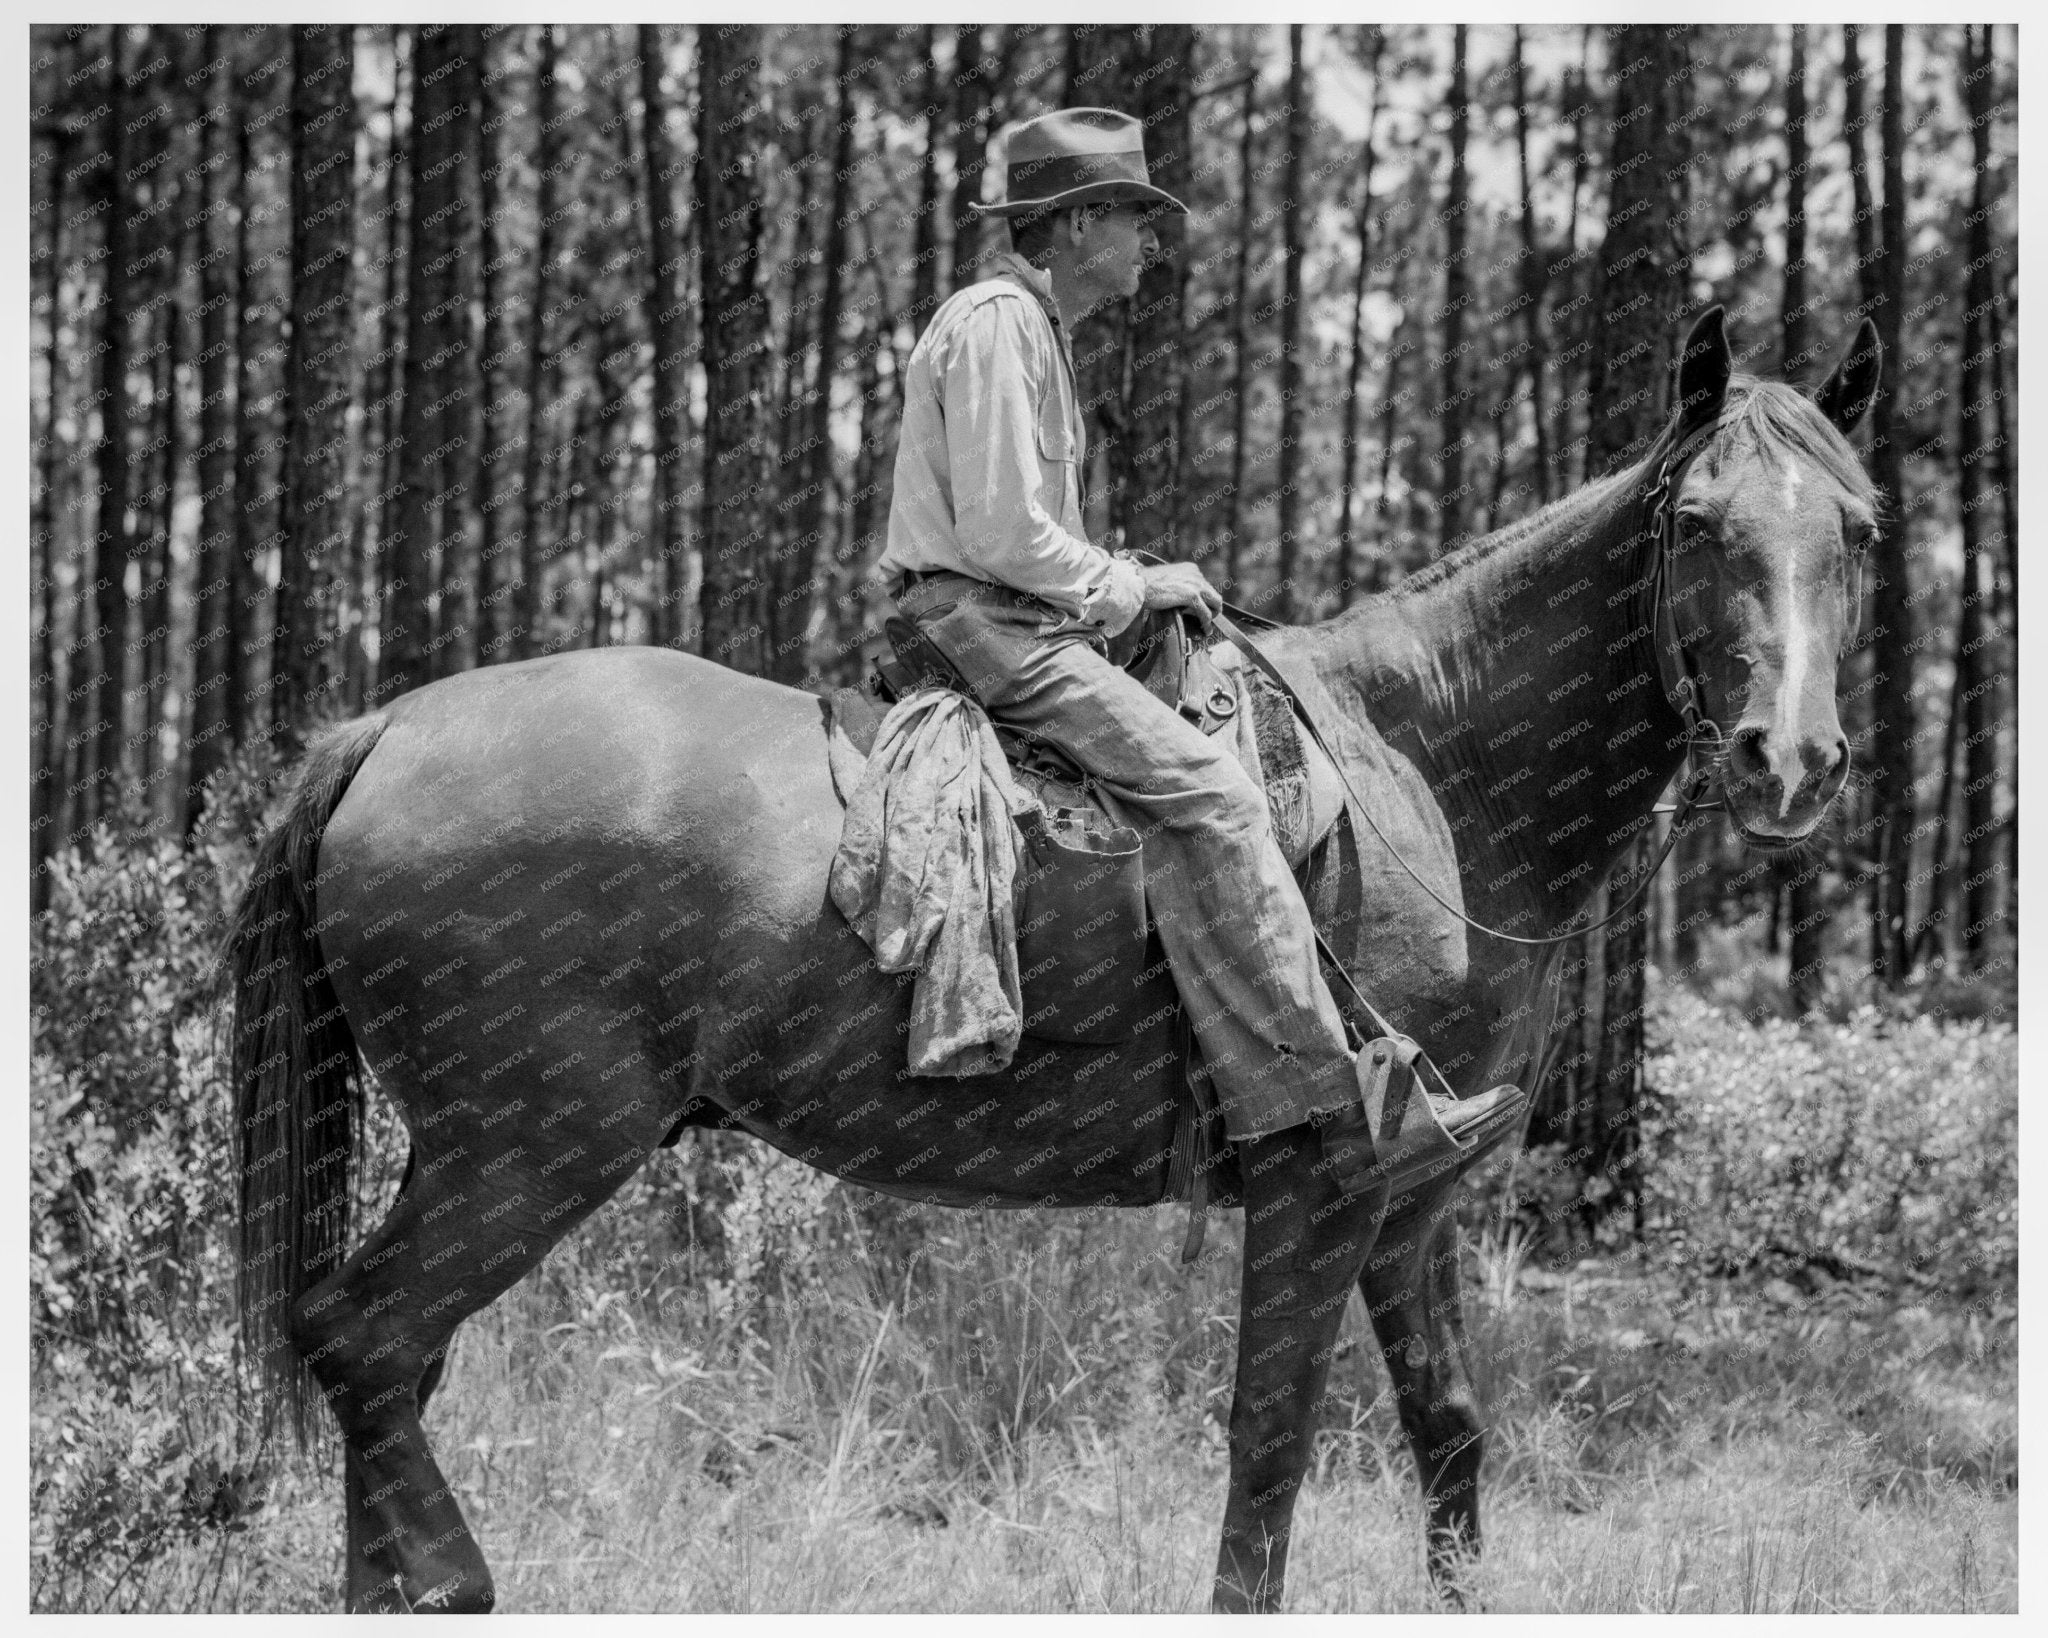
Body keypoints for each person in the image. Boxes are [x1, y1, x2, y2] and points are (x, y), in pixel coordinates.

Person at [878, 106, 1511, 1192]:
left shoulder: (1033, 333)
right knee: (1216, 795)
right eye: (1131, 217)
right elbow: (997, 535)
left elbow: (1022, 532)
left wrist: (1124, 580)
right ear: (1074, 223)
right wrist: (1126, 583)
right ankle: (1337, 1108)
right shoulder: (996, 323)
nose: (1147, 244)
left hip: (1010, 616)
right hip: (982, 629)